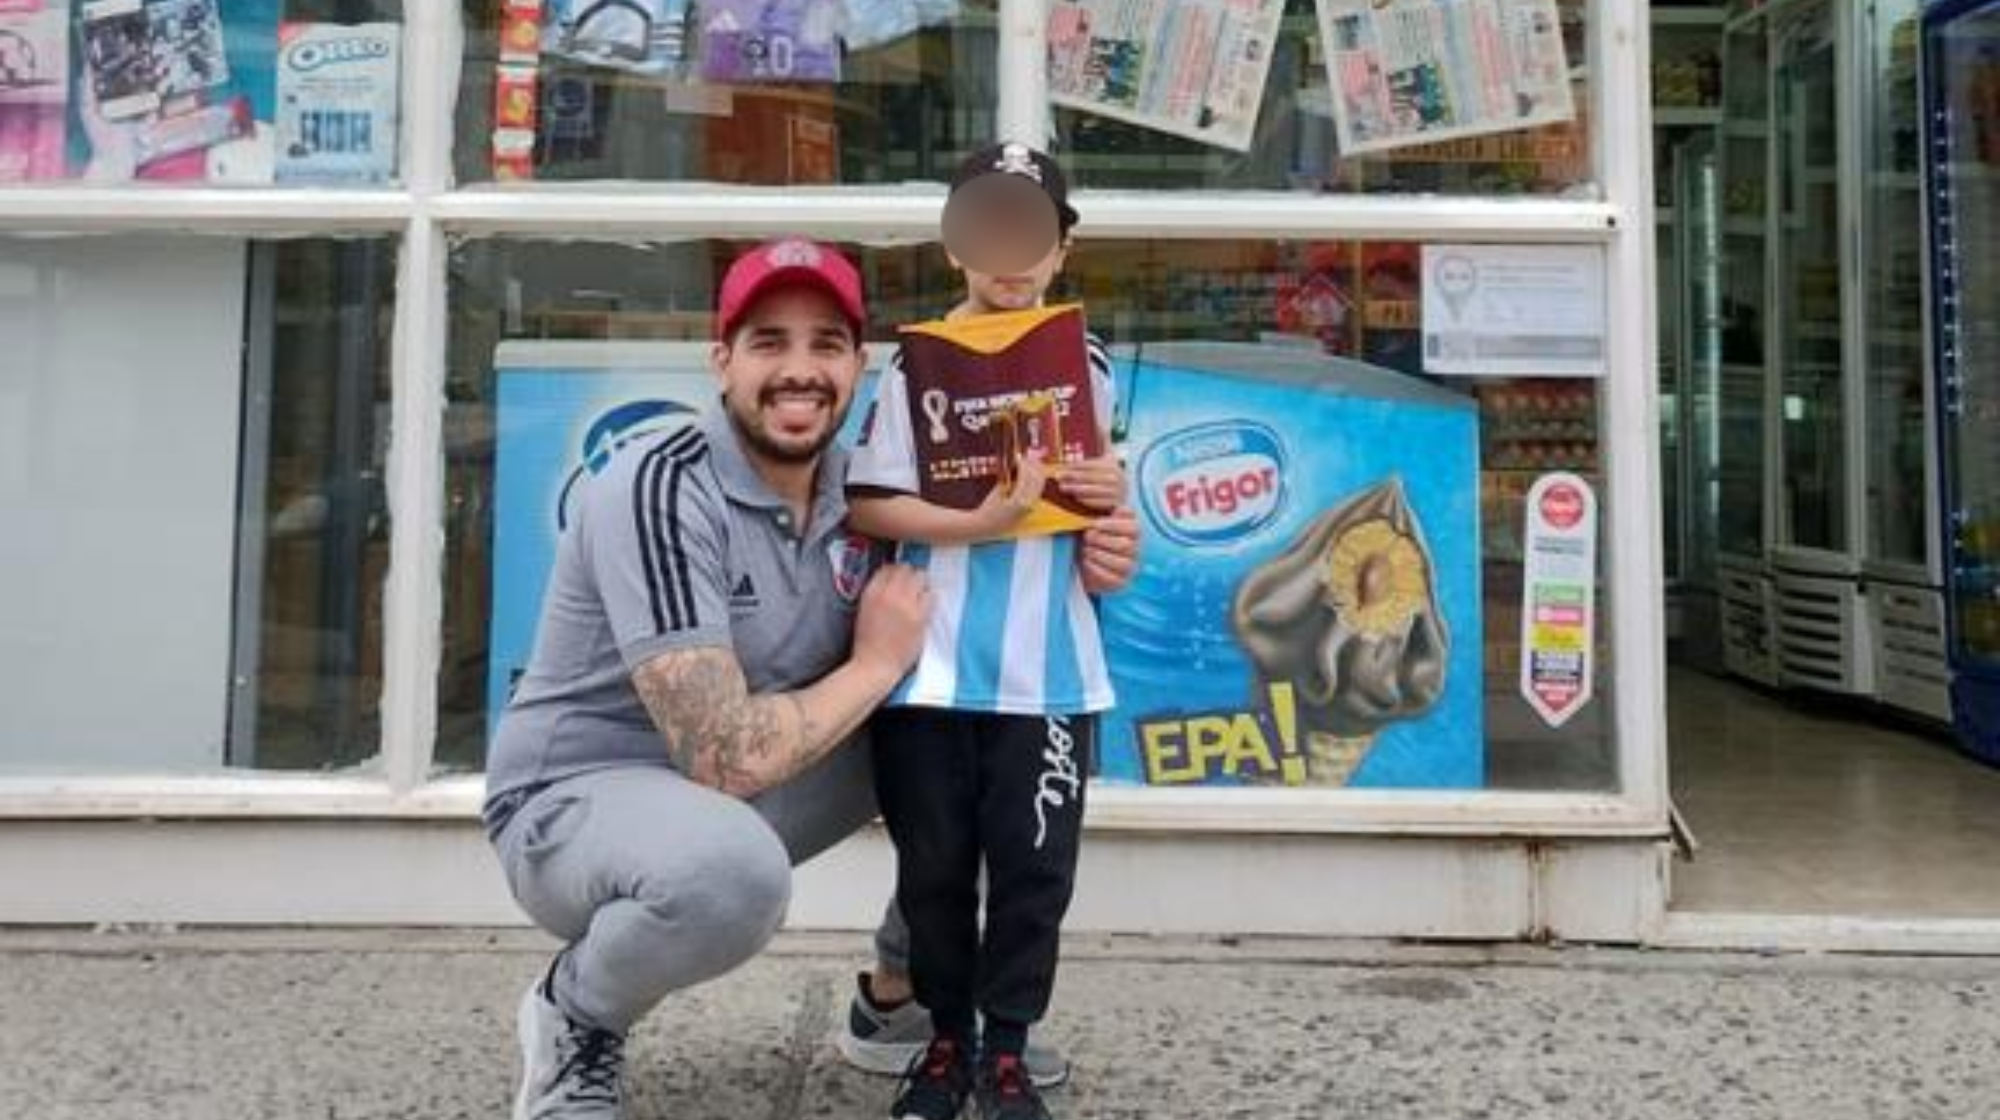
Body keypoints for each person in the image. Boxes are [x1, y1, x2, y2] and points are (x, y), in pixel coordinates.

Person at [484, 237, 1139, 1120]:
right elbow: (722, 755)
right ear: (721, 362)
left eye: (825, 344)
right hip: (580, 803)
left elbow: (1012, 548)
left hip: (749, 780)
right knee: (730, 875)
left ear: (859, 366)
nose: (800, 370)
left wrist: (1104, 548)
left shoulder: (862, 490)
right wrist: (876, 663)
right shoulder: (657, 485)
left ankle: (899, 998)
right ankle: (576, 1016)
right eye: (768, 343)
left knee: (983, 748)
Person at [845, 142, 1124, 1120]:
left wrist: (1111, 498)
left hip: (1047, 676)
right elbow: (868, 504)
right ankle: (943, 1040)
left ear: (1060, 250)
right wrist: (973, 524)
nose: (1008, 254)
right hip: (926, 669)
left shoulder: (1085, 368)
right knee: (931, 869)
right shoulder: (911, 367)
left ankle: (1005, 1046)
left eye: (1029, 231)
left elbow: (1104, 513)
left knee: (1032, 872)